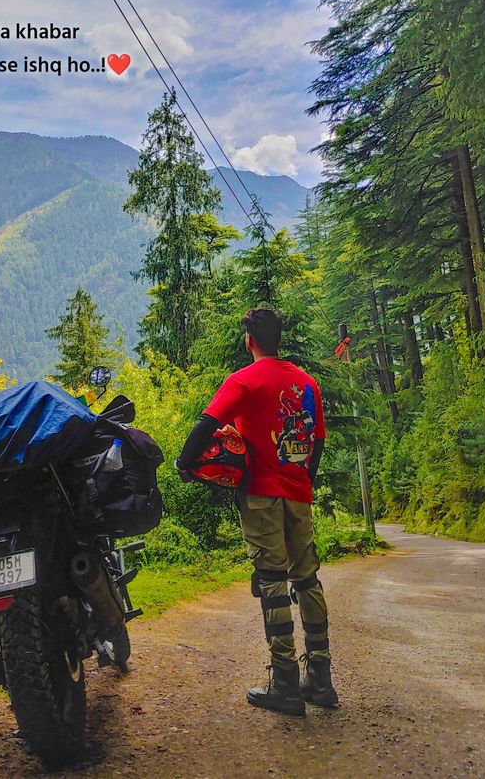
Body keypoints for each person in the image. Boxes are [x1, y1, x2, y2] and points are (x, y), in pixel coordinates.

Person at [175, 307, 338, 717]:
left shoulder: (244, 380)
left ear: (250, 341)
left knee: (271, 580)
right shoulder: (307, 383)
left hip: (261, 493)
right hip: (298, 491)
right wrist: (306, 480)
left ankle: (284, 680)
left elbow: (207, 422)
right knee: (307, 577)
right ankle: (321, 678)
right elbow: (317, 442)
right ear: (279, 338)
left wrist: (184, 464)